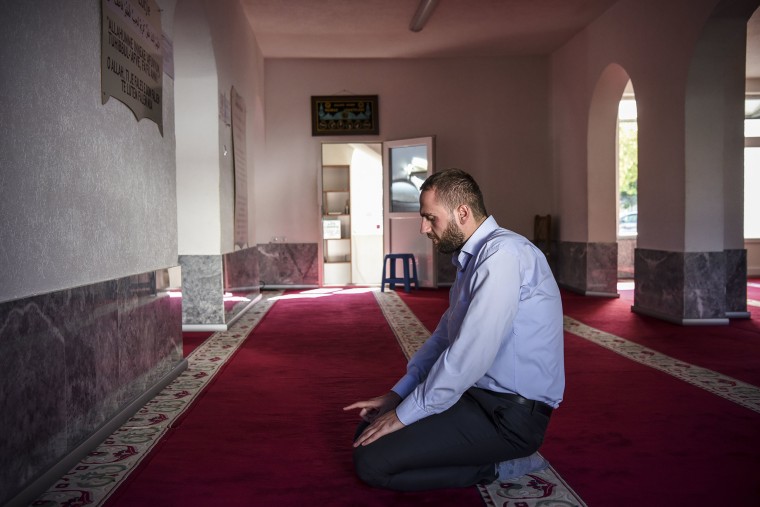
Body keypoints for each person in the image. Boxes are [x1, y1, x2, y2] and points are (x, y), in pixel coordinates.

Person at [343, 168, 565, 491]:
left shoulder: (502, 257)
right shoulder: (474, 258)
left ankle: (498, 465)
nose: (423, 228)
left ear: (462, 212)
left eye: (430, 218)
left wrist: (405, 415)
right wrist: (397, 396)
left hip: (510, 418)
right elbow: (443, 339)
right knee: (366, 435)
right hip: (477, 399)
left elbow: (467, 358)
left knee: (372, 461)